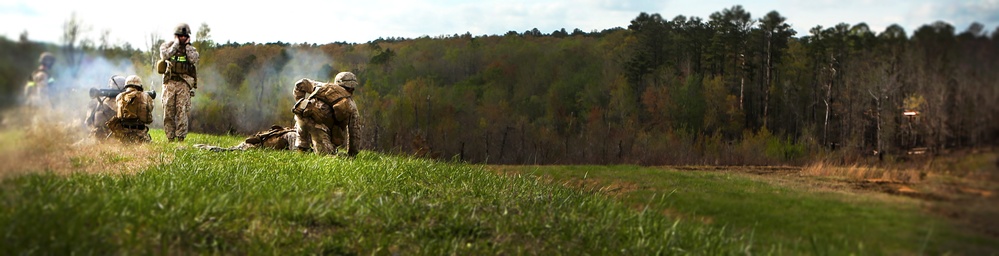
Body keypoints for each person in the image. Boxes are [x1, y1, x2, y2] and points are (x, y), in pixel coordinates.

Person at [292, 72, 360, 157]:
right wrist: (352, 154)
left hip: (301, 121)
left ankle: (302, 148)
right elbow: (354, 132)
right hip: (320, 129)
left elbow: (300, 83)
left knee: (302, 149)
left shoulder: (321, 86)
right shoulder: (350, 104)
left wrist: (300, 100)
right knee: (327, 157)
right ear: (352, 88)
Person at [159, 23, 199, 142]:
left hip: (184, 83)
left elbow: (193, 59)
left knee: (182, 111)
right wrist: (176, 45)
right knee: (168, 110)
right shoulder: (167, 46)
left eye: (185, 36)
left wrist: (187, 46)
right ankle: (170, 137)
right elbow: (165, 55)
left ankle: (181, 137)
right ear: (176, 36)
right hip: (170, 82)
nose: (182, 38)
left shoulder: (191, 49)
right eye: (180, 36)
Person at [106, 75, 154, 143]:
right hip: (140, 134)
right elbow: (150, 109)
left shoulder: (119, 97)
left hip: (123, 134)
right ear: (139, 86)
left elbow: (118, 111)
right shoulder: (146, 96)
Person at [194, 126, 299, 152]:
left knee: (231, 149)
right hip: (253, 146)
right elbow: (298, 151)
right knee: (229, 150)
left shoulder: (291, 133)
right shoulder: (293, 136)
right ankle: (206, 148)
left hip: (255, 144)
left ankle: (205, 147)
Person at [85, 75, 126, 140]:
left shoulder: (100, 101)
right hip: (118, 138)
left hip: (101, 138)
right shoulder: (128, 102)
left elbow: (88, 122)